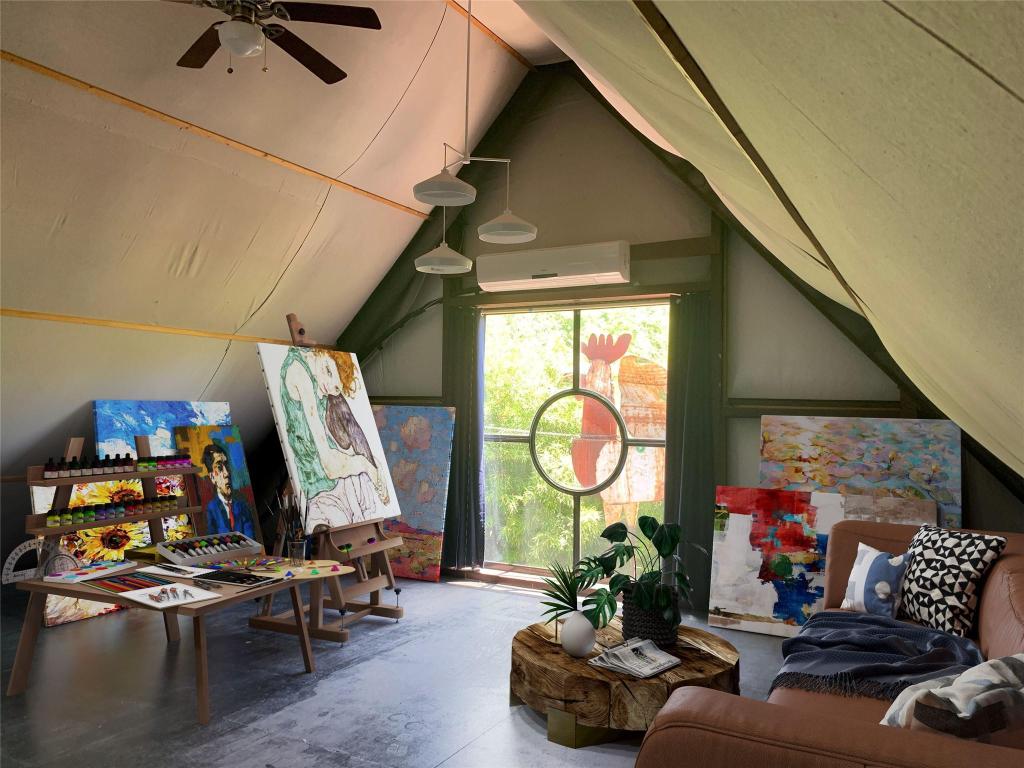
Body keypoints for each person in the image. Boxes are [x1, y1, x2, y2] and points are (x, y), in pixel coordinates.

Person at [201, 442, 257, 539]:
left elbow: (251, 539)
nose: (226, 473)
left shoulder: (243, 505)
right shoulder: (210, 509)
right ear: (212, 477)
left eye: (226, 465)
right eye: (219, 467)